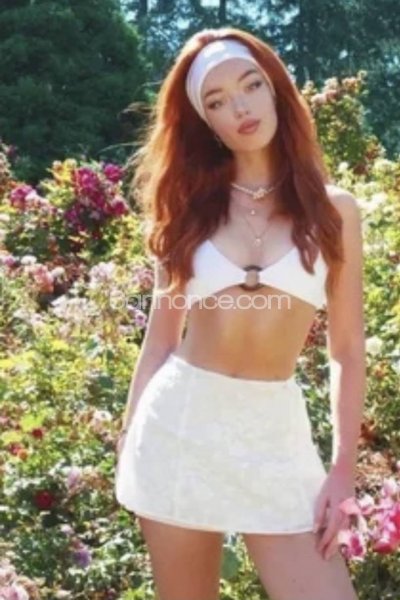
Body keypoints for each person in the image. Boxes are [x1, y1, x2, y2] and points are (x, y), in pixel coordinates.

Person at [115, 26, 365, 600]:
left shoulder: (334, 212)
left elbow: (348, 350)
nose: (241, 108)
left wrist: (342, 469)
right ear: (205, 121)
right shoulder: (187, 209)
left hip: (274, 437)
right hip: (178, 429)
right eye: (217, 100)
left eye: (251, 85)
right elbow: (160, 340)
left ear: (276, 88)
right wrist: (130, 439)